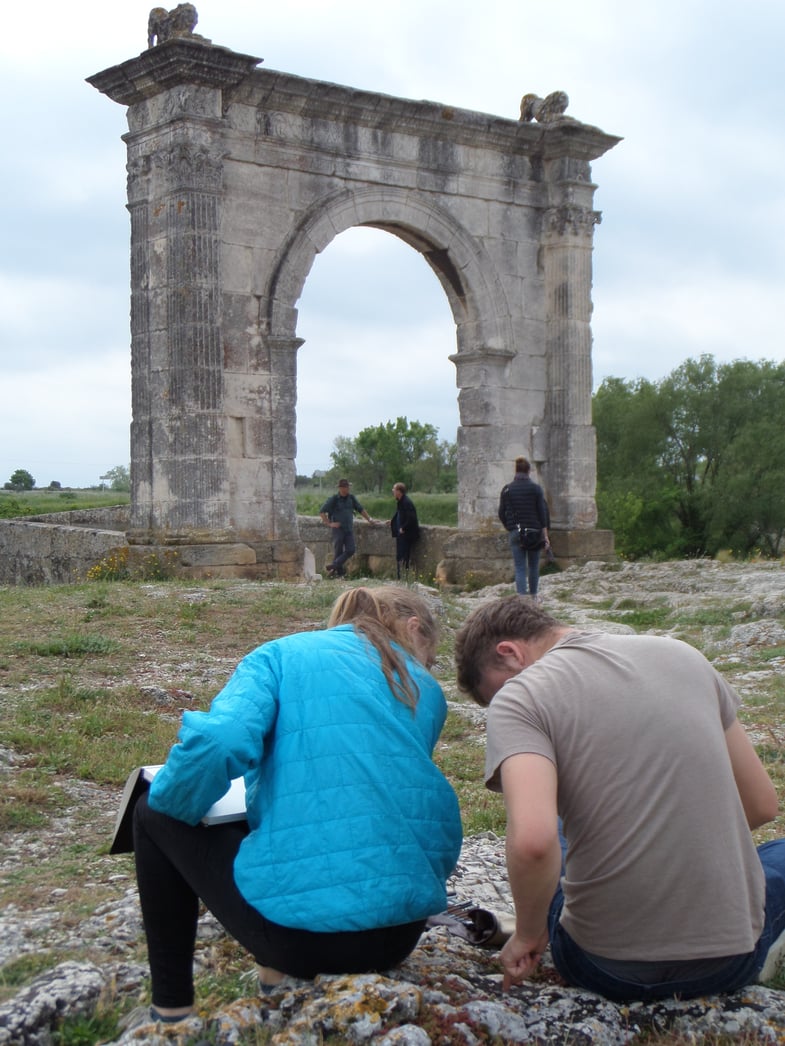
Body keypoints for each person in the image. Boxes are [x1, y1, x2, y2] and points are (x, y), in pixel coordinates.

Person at [132, 586, 462, 1023]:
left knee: (153, 810)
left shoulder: (280, 656)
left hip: (304, 940)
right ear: (414, 629)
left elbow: (219, 741)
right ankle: (275, 979)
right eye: (431, 656)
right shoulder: (423, 689)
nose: (428, 665)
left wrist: (177, 801)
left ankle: (170, 1009)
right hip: (401, 933)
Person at [453, 596, 785, 1003]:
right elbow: (761, 804)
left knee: (558, 828)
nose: (500, 699)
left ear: (509, 652)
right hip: (730, 961)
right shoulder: (683, 655)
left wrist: (528, 934)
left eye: (494, 691)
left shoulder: (521, 697)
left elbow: (534, 842)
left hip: (602, 967)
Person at [498, 457, 550, 599]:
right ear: (529, 471)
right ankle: (533, 598)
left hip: (516, 532)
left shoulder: (507, 489)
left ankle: (521, 600)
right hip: (534, 532)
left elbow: (501, 513)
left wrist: (510, 527)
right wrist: (545, 535)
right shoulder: (536, 489)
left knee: (520, 567)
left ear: (516, 470)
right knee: (533, 566)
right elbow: (542, 512)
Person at [320, 478, 374, 577]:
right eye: (344, 487)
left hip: (348, 529)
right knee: (338, 550)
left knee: (351, 549)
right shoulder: (334, 499)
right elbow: (322, 511)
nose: (346, 489)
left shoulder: (351, 498)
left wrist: (369, 519)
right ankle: (339, 574)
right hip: (338, 529)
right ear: (340, 488)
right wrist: (329, 523)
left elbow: (360, 509)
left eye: (347, 487)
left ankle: (334, 566)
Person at [390, 482, 420, 579]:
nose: (392, 491)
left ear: (399, 491)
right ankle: (400, 577)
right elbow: (399, 514)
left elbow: (412, 518)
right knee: (400, 556)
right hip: (401, 535)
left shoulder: (406, 502)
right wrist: (392, 521)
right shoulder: (400, 501)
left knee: (404, 557)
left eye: (394, 489)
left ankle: (403, 578)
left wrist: (404, 528)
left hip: (406, 535)